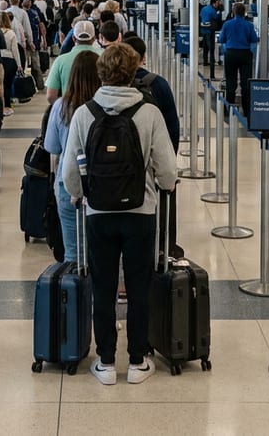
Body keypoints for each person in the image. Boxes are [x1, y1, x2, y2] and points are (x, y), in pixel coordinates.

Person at [61, 43, 177, 387]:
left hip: (98, 213)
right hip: (141, 212)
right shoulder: (149, 112)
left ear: (102, 73)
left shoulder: (85, 113)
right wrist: (164, 184)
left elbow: (69, 173)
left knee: (103, 286)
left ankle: (107, 361)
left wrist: (80, 194)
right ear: (133, 72)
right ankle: (138, 360)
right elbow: (168, 172)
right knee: (139, 286)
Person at [44, 50, 100, 264]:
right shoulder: (104, 106)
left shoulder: (60, 106)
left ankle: (74, 284)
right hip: (102, 183)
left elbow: (53, 148)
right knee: (102, 252)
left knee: (73, 253)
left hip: (67, 183)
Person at [218, 2, 258, 117]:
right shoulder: (249, 25)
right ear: (244, 13)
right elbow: (254, 40)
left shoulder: (227, 24)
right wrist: (251, 51)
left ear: (233, 12)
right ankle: (246, 110)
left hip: (231, 54)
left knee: (231, 82)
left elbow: (221, 39)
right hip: (245, 54)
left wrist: (226, 49)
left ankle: (228, 109)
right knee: (245, 83)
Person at [46, 20, 97, 104]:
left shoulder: (60, 60)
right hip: (97, 109)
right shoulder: (103, 57)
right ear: (94, 38)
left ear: (73, 38)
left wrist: (64, 106)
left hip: (69, 108)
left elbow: (50, 96)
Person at [0, 12, 21, 114]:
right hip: (9, 59)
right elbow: (15, 50)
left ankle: (0, 105)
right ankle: (7, 104)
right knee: (8, 83)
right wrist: (19, 64)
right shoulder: (11, 33)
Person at [200, 0, 222, 78]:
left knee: (205, 47)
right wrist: (219, 13)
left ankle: (205, 61)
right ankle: (212, 74)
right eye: (218, 3)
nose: (218, 4)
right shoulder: (212, 11)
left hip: (203, 30)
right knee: (211, 50)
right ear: (214, 2)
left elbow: (201, 17)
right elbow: (216, 18)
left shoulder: (204, 8)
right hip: (210, 31)